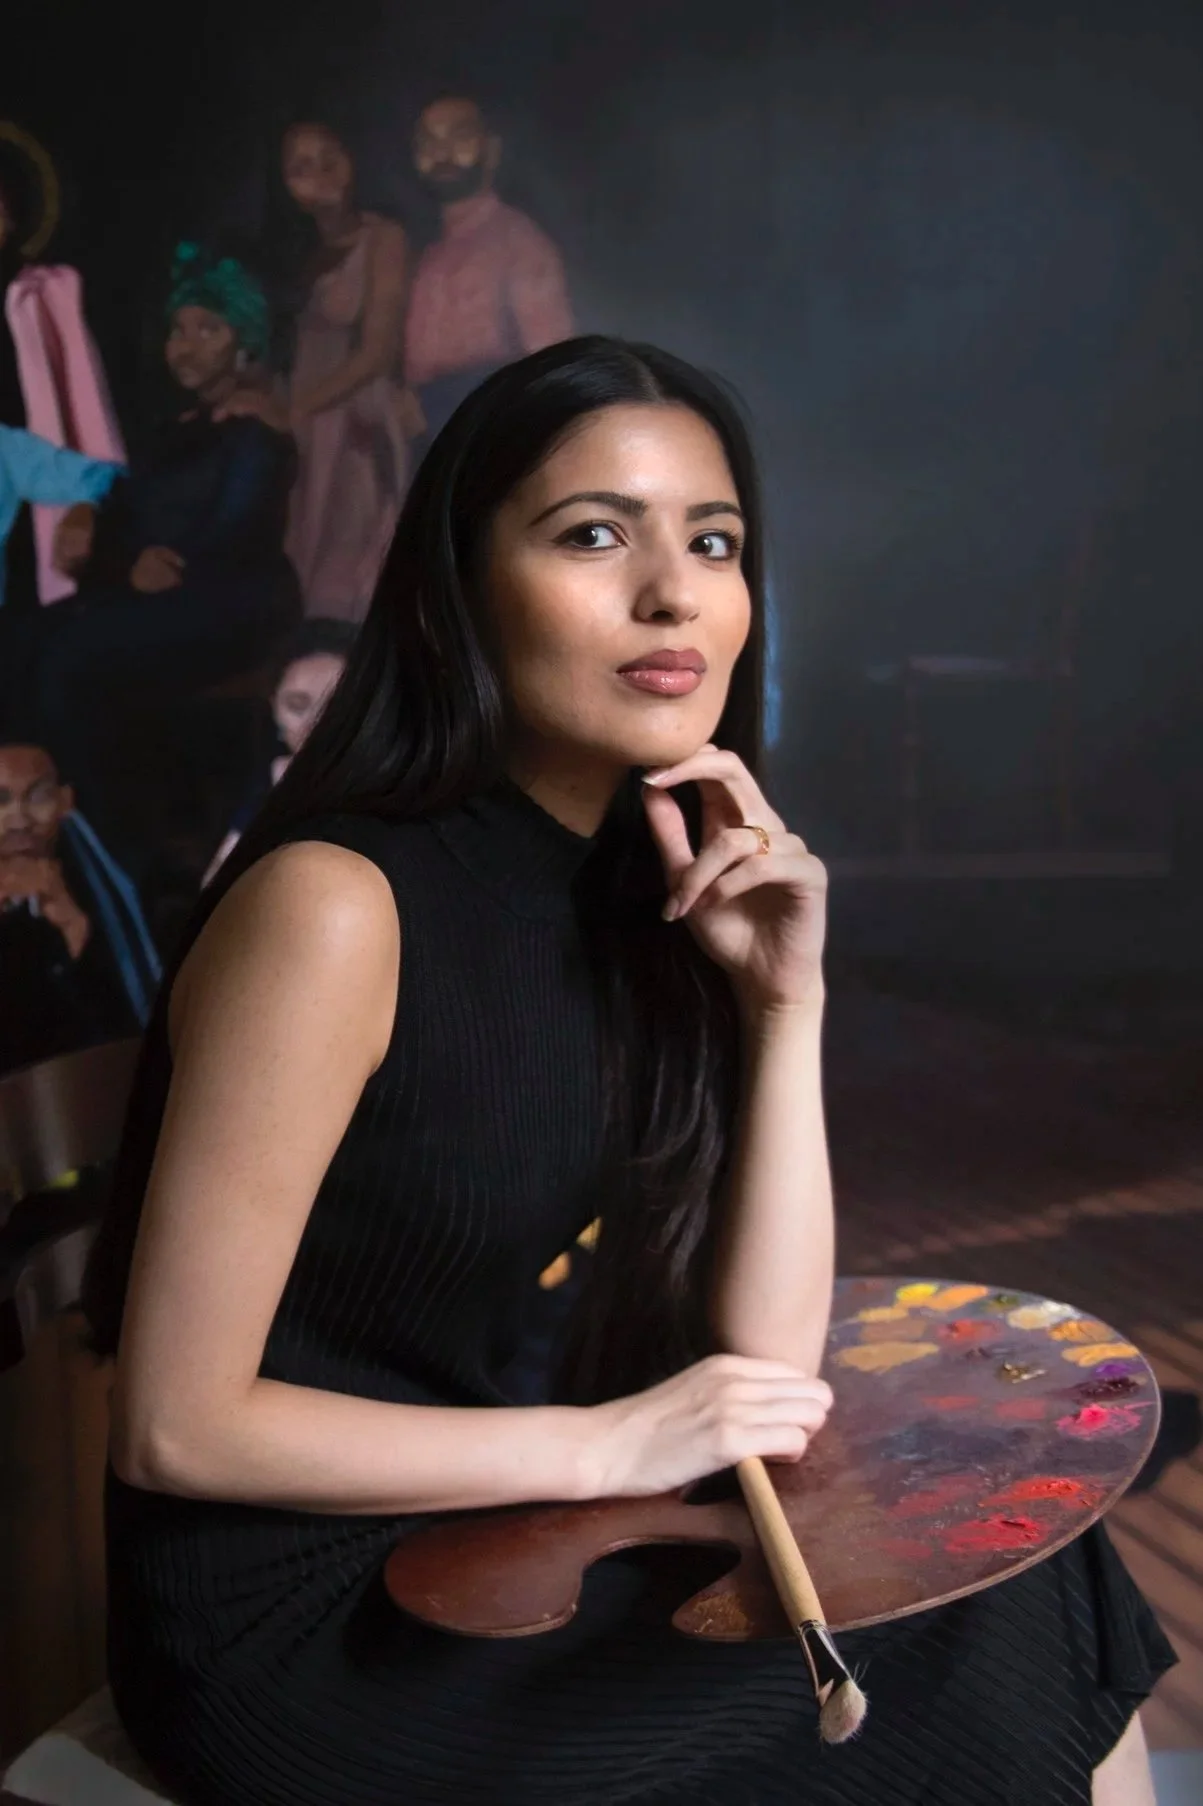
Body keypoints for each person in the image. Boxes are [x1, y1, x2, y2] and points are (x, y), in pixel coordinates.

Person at [81, 337, 1169, 1806]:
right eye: (593, 533)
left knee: (1023, 1568)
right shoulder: (336, 905)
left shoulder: (645, 891)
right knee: (988, 1644)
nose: (672, 594)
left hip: (511, 1534)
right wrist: (608, 1439)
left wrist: (787, 1004)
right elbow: (173, 1421)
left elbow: (767, 1368)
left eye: (710, 543)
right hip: (306, 1622)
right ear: (463, 584)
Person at [28, 244, 301, 836]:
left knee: (72, 659)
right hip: (158, 592)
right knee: (29, 640)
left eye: (208, 328)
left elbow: (231, 536)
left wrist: (135, 567)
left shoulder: (255, 430)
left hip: (235, 601)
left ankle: (99, 835)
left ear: (244, 341)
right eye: (179, 329)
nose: (187, 343)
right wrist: (100, 535)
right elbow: (124, 519)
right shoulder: (171, 431)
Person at [232, 123, 411, 621]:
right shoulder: (291, 256)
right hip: (299, 423)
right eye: (301, 167)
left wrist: (298, 409)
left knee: (348, 561)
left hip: (350, 411)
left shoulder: (382, 237)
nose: (321, 173)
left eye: (330, 155)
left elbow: (377, 351)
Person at [404, 94, 574, 446]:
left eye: (459, 136)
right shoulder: (426, 253)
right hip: (427, 427)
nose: (442, 152)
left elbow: (552, 362)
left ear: (491, 150)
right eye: (429, 141)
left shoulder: (518, 240)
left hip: (489, 420)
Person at [0, 740, 158, 1075]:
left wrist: (73, 926)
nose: (18, 820)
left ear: (65, 801)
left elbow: (121, 1030)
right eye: (0, 801)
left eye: (37, 796)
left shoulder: (106, 889)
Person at [202, 616, 356, 883]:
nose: (316, 724)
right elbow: (218, 879)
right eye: (297, 706)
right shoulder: (272, 780)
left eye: (337, 706)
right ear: (273, 705)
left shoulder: (397, 788)